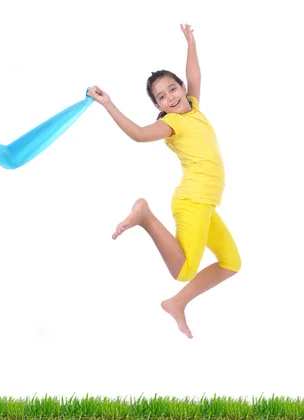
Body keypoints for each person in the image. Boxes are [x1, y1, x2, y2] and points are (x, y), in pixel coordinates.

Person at [87, 24, 241, 339]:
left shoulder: (193, 108)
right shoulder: (172, 124)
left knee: (231, 262)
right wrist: (108, 104)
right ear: (158, 107)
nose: (170, 97)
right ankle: (144, 216)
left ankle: (177, 303)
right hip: (192, 201)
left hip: (206, 204)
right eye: (161, 96)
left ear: (182, 89)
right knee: (183, 270)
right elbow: (140, 134)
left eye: (173, 89)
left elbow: (195, 75)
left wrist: (191, 42)